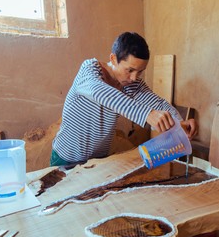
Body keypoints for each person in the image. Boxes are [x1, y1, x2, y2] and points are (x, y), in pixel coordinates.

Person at [50, 32, 198, 167]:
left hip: (98, 161)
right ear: (113, 59)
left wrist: (179, 123)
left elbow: (158, 103)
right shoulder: (89, 70)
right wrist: (147, 114)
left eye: (140, 72)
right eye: (130, 70)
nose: (134, 78)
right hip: (66, 158)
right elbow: (101, 93)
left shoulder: (131, 84)